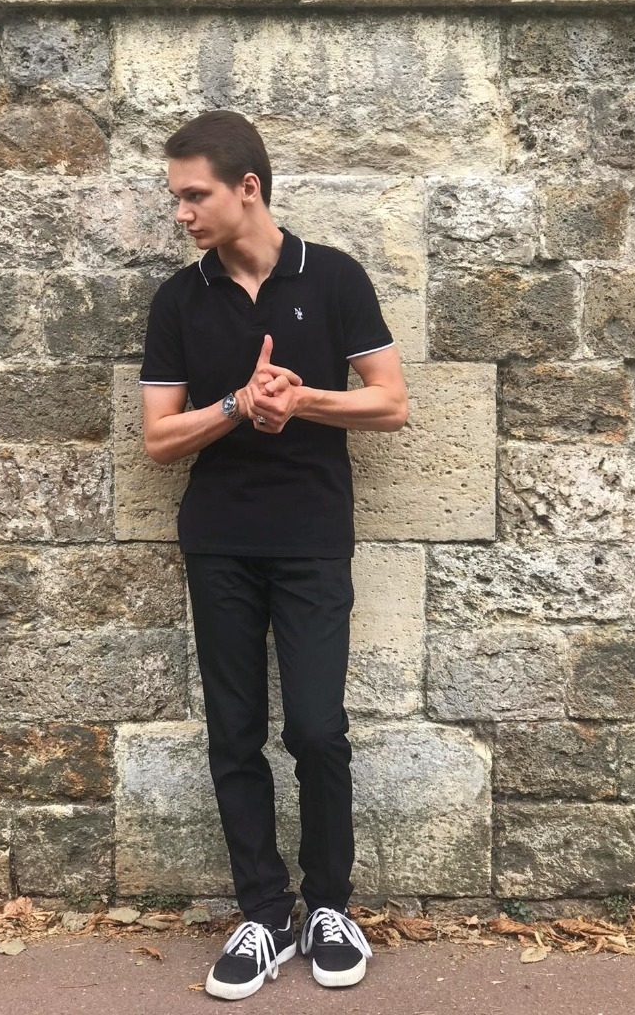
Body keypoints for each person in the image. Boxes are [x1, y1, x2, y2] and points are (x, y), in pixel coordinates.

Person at [140, 110, 408, 1001]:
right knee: (234, 733)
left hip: (312, 541)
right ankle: (263, 915)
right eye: (176, 197)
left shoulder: (333, 276)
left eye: (194, 195)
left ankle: (329, 906)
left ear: (247, 186)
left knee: (317, 729)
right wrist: (236, 406)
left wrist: (301, 401)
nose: (181, 212)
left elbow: (391, 403)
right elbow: (157, 438)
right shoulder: (178, 300)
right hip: (219, 540)